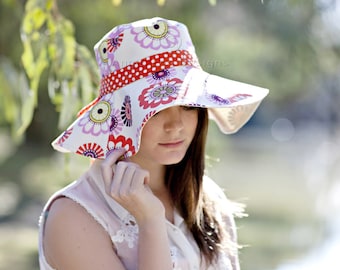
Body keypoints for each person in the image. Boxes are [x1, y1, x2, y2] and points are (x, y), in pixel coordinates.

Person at [38, 17, 268, 270]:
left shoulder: (207, 197)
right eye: (155, 109)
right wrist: (150, 222)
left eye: (189, 106)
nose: (176, 125)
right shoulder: (74, 216)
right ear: (120, 114)